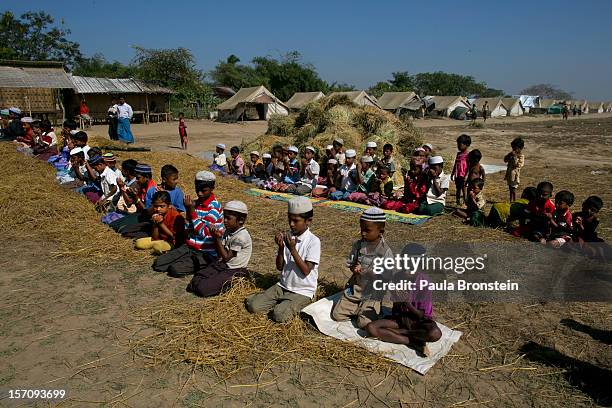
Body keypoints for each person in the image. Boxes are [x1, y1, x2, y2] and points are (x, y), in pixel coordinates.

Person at [245, 197, 320, 323]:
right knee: (253, 306)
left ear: (308, 221)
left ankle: (293, 304)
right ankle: (280, 301)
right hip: (283, 286)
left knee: (279, 315)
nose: (291, 224)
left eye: (296, 221)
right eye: (290, 220)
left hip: (302, 291)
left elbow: (306, 270)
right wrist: (281, 248)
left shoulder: (313, 241)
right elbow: (280, 267)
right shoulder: (289, 237)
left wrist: (292, 249)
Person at [366, 245, 441, 357]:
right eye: (404, 266)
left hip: (417, 322)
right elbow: (396, 308)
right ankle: (413, 342)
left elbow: (423, 316)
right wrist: (394, 295)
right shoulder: (398, 277)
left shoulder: (425, 283)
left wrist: (407, 303)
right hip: (400, 320)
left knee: (435, 333)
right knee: (371, 328)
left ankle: (406, 333)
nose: (406, 271)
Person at [152, 170, 223, 277]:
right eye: (197, 190)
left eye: (203, 191)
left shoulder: (215, 207)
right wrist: (189, 212)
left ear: (212, 189)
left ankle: (208, 263)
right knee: (158, 264)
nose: (199, 193)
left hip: (206, 252)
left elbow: (203, 232)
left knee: (174, 270)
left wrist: (191, 210)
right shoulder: (196, 203)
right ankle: (185, 259)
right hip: (190, 247)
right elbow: (188, 227)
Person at [331, 207, 393, 328]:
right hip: (356, 289)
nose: (363, 233)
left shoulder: (385, 251)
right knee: (337, 315)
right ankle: (357, 307)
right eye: (361, 229)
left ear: (381, 231)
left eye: (367, 230)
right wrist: (354, 268)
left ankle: (366, 309)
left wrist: (369, 273)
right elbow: (351, 264)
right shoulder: (358, 245)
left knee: (364, 324)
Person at [187, 200, 252, 297]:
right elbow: (220, 254)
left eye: (228, 218)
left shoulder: (241, 237)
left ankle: (235, 281)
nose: (224, 221)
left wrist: (217, 238)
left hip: (234, 269)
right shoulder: (229, 231)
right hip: (224, 265)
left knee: (203, 289)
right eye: (224, 217)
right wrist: (215, 238)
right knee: (198, 276)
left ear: (241, 220)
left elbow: (226, 257)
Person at [451, 134, 471, 207]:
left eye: (460, 144)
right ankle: (457, 202)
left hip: (464, 175)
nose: (458, 146)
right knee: (458, 189)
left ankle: (465, 203)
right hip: (458, 175)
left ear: (466, 144)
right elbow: (455, 164)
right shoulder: (458, 154)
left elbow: (469, 166)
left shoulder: (468, 155)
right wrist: (452, 173)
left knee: (464, 189)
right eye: (458, 144)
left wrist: (467, 175)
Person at [504, 137, 525, 202]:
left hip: (515, 175)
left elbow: (519, 165)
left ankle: (514, 201)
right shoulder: (511, 154)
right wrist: (509, 155)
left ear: (520, 148)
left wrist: (515, 157)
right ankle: (511, 201)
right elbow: (505, 160)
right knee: (510, 188)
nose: (513, 150)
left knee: (514, 189)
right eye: (513, 148)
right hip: (509, 174)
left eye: (515, 148)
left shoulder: (521, 156)